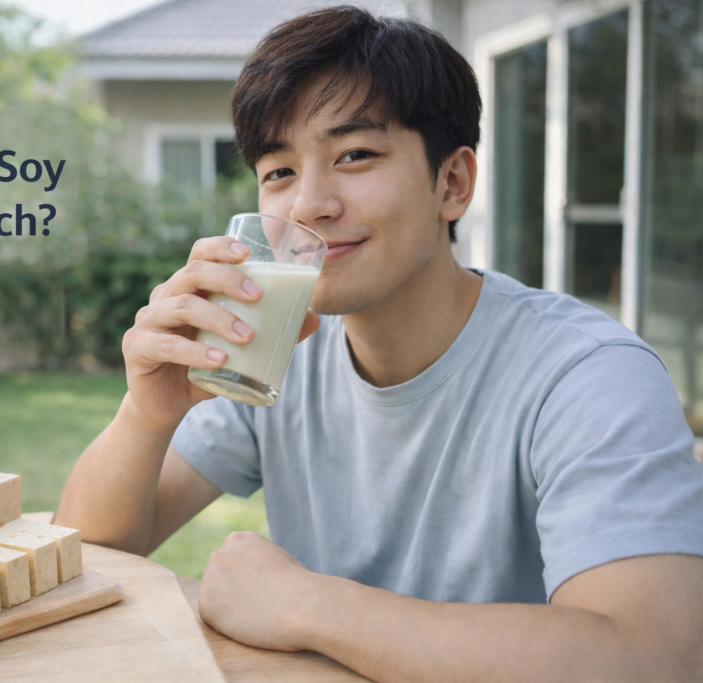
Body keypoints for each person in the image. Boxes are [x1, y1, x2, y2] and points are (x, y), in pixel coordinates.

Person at [55, 6, 703, 680]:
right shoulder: (277, 348)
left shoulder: (587, 376)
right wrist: (147, 413)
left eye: (355, 155)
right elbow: (88, 551)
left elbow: (652, 656)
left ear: (452, 183)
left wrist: (308, 605)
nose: (308, 203)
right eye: (279, 172)